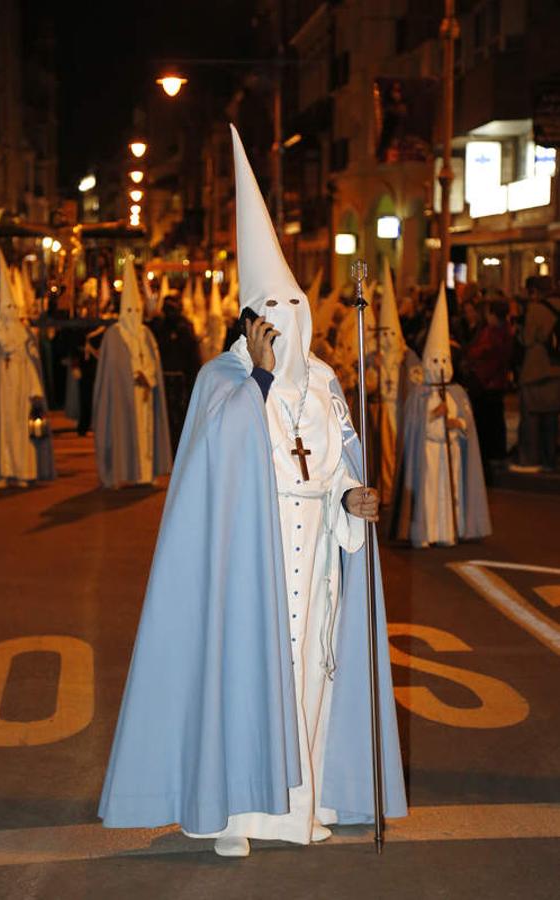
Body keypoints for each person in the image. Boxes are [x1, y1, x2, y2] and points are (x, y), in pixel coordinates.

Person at [98, 124, 407, 857]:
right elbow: (219, 463)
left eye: (294, 307)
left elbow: (337, 470)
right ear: (248, 318)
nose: (286, 324)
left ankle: (300, 809)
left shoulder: (330, 382)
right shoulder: (224, 380)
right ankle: (235, 813)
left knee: (311, 679)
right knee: (244, 679)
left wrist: (351, 500)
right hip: (250, 566)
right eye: (271, 311)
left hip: (317, 562)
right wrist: (262, 380)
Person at [390, 283, 491, 548]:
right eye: (435, 361)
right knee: (429, 493)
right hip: (429, 452)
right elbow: (414, 426)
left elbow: (466, 424)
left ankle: (447, 531)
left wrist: (456, 422)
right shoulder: (420, 394)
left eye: (444, 361)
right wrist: (435, 414)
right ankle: (425, 533)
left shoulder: (457, 392)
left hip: (451, 450)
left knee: (450, 491)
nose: (440, 367)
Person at [0, 252, 55, 489]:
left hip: (21, 390)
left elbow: (32, 362)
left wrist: (35, 390)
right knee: (2, 432)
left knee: (21, 432)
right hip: (1, 389)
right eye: (6, 306)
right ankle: (0, 472)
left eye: (13, 306)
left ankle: (22, 471)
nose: (10, 310)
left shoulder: (25, 333)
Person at [92, 258, 172, 488]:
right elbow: (110, 370)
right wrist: (132, 373)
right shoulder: (113, 335)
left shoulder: (146, 333)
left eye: (136, 309)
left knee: (146, 433)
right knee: (122, 433)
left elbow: (152, 360)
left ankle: (146, 473)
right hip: (122, 396)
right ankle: (118, 473)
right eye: (129, 309)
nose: (133, 314)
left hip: (145, 393)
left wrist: (147, 375)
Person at [368, 258, 420, 505]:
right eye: (384, 333)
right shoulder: (374, 357)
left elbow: (417, 381)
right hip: (383, 409)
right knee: (386, 454)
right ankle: (388, 491)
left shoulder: (407, 357)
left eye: (392, 334)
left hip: (401, 408)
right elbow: (366, 384)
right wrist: (372, 367)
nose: (387, 339)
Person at [512, 276, 560, 472]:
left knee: (531, 418)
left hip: (536, 371)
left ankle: (531, 459)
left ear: (534, 290)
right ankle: (551, 460)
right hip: (556, 370)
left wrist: (519, 327)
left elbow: (528, 338)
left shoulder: (536, 309)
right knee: (551, 419)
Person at [464, 300, 513, 480]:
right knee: (496, 423)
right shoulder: (507, 331)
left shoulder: (491, 334)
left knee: (484, 426)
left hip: (485, 384)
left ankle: (487, 464)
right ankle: (497, 457)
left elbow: (478, 353)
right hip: (497, 383)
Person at [148, 293, 201, 451]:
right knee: (163, 417)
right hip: (163, 379)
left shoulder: (185, 327)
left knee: (181, 417)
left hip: (181, 381)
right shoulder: (158, 327)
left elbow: (192, 357)